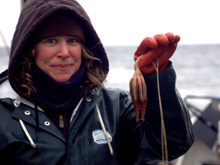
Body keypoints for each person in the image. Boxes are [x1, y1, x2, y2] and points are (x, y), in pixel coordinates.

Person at [0, 0, 194, 164]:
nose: (65, 52)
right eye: (51, 41)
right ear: (29, 49)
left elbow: (172, 143)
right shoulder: (4, 113)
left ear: (84, 48)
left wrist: (156, 81)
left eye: (73, 41)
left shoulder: (116, 107)